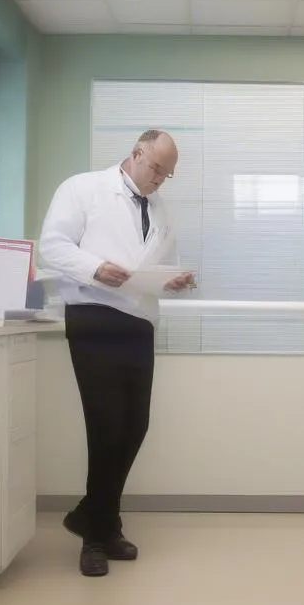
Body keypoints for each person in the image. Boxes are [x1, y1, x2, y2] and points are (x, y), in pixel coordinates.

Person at [38, 129, 194, 577]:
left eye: (168, 173)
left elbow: (159, 267)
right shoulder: (82, 188)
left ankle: (95, 516)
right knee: (105, 426)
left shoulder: (160, 209)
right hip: (94, 316)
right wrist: (94, 268)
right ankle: (96, 535)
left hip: (138, 322)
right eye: (156, 168)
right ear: (136, 153)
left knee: (134, 426)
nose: (161, 179)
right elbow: (52, 247)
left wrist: (175, 281)